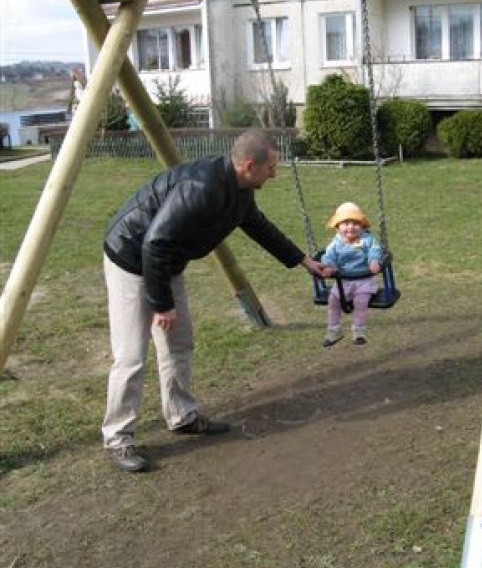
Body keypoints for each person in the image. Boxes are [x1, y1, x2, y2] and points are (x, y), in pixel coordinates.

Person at [101, 128, 330, 472]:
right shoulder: (201, 187)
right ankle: (118, 439)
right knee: (132, 354)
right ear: (249, 165)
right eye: (271, 167)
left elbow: (259, 227)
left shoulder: (239, 189)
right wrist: (162, 304)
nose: (275, 174)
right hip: (131, 257)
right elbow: (154, 243)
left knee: (179, 342)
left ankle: (181, 416)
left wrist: (303, 260)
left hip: (166, 260)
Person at [320, 202, 382, 347]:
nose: (350, 227)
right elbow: (328, 256)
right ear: (338, 226)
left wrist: (373, 261)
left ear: (362, 225)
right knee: (333, 302)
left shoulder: (367, 239)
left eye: (355, 223)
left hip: (364, 280)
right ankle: (334, 330)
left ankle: (359, 331)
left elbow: (375, 250)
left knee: (361, 302)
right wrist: (328, 266)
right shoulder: (335, 243)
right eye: (346, 223)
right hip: (343, 282)